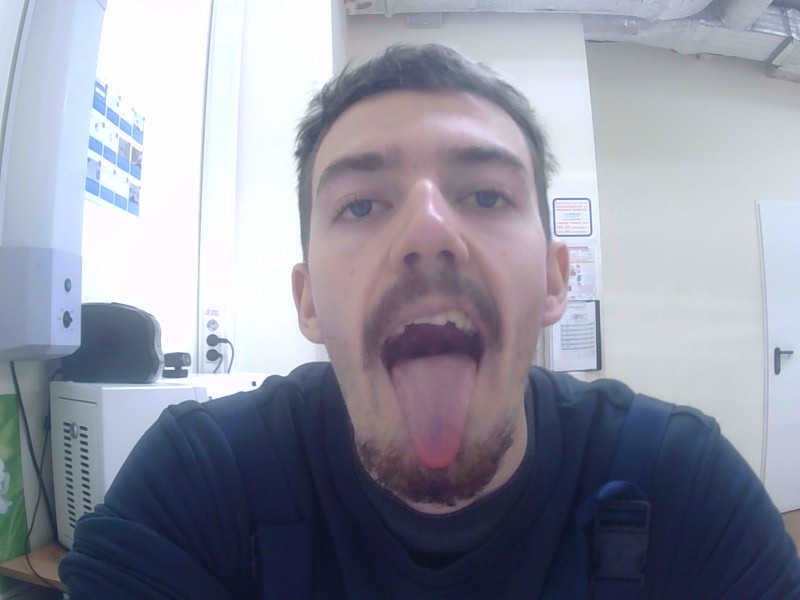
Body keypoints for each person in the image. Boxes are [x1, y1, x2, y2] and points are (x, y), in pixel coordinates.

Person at [60, 44, 800, 599]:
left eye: (485, 195)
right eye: (361, 204)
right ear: (308, 300)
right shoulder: (199, 483)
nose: (428, 230)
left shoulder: (683, 485)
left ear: (553, 279)